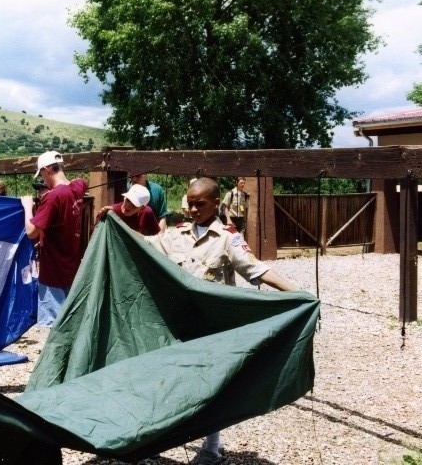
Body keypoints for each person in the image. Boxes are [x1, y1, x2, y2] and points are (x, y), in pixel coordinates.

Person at [142, 177, 296, 465]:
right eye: (190, 203)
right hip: (182, 325)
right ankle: (159, 438)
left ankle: (211, 449)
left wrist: (296, 294)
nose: (193, 209)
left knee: (212, 387)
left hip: (214, 328)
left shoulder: (227, 238)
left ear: (216, 203)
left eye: (200, 204)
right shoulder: (177, 235)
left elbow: (256, 269)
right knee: (173, 380)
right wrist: (114, 221)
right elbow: (146, 244)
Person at [21, 150, 88, 326]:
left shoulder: (52, 197)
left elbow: (31, 232)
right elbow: (83, 181)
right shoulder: (77, 187)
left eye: (42, 173)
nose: (43, 178)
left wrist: (27, 207)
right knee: (70, 322)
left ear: (48, 169)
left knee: (55, 326)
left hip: (53, 271)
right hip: (71, 267)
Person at [96, 183, 160, 235]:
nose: (128, 206)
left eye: (134, 205)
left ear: (142, 208)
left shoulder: (147, 212)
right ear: (124, 198)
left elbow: (156, 238)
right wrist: (101, 216)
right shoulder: (112, 212)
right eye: (128, 200)